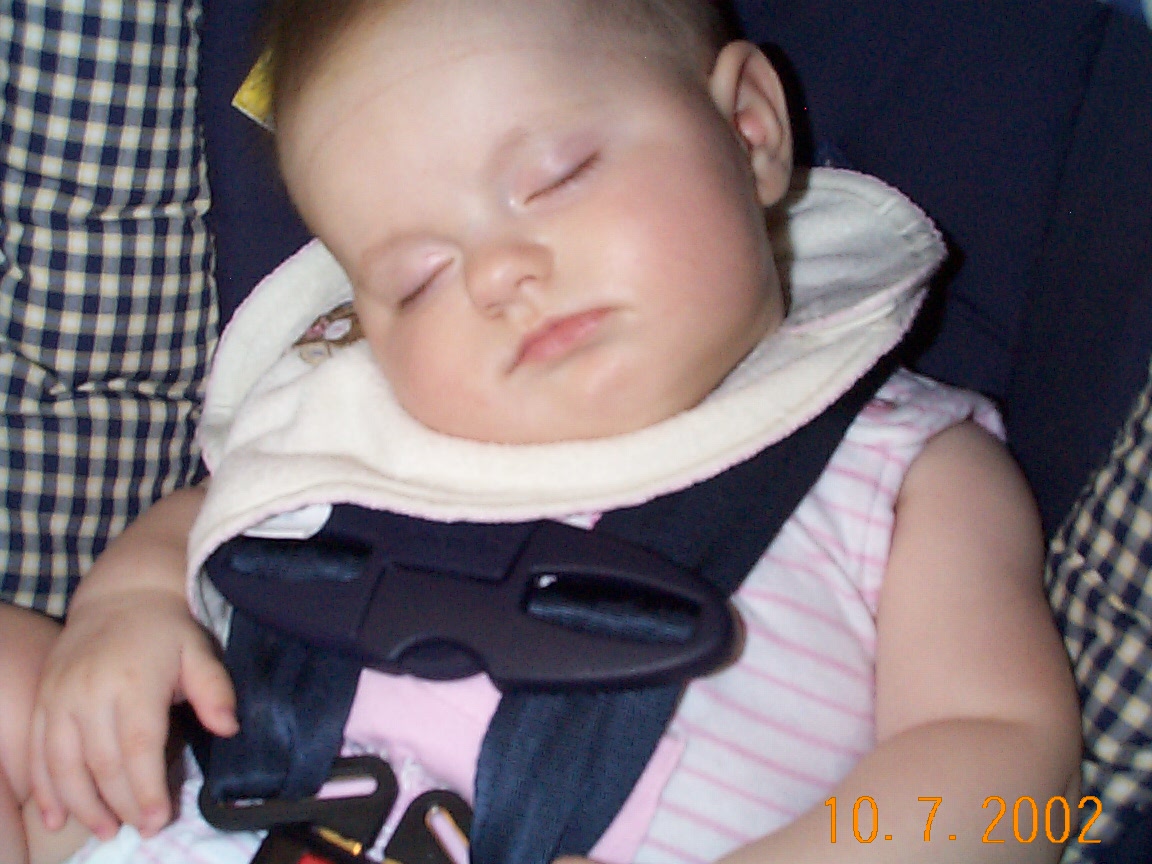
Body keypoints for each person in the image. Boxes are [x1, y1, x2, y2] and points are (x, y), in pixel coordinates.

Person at [22, 0, 1081, 862]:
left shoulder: (908, 471)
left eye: (558, 176)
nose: (496, 274)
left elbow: (1005, 762)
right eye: (416, 277)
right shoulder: (363, 429)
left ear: (748, 129)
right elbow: (218, 515)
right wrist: (131, 605)